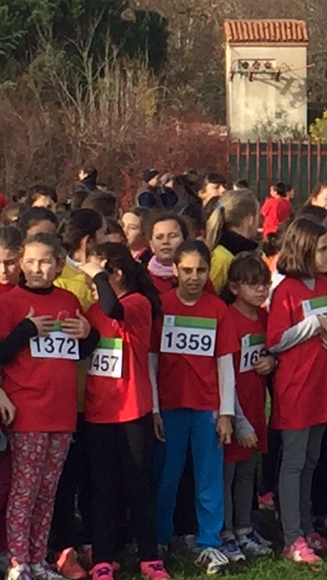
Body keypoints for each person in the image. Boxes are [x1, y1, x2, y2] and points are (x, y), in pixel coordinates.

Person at [0, 233, 96, 580]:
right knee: (24, 491)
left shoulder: (68, 299)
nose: (37, 268)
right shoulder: (9, 302)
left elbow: (81, 350)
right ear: (21, 264)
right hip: (28, 409)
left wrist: (88, 333)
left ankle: (39, 559)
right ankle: (18, 562)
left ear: (58, 266)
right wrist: (25, 330)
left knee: (47, 491)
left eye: (44, 262)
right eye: (30, 261)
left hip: (62, 411)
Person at [79, 242, 168, 580]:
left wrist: (99, 276)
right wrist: (84, 335)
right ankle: (104, 558)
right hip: (99, 411)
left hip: (133, 411)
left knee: (138, 485)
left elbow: (113, 309)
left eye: (97, 276)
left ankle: (149, 556)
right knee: (103, 488)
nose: (91, 283)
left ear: (115, 274)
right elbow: (86, 349)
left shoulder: (137, 303)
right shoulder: (93, 310)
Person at [151, 241, 238, 575]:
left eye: (201, 270)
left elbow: (224, 363)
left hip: (207, 407)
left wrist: (226, 413)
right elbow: (151, 360)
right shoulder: (162, 306)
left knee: (209, 477)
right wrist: (154, 408)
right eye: (187, 270)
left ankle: (209, 541)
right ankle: (160, 539)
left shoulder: (217, 309)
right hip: (170, 407)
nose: (194, 277)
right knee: (166, 476)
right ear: (175, 270)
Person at [267, 218, 327, 564]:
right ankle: (291, 535)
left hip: (320, 384)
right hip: (295, 385)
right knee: (294, 463)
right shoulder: (286, 290)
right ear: (305, 250)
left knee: (312, 460)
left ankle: (306, 527)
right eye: (323, 249)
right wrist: (311, 325)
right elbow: (275, 341)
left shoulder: (325, 285)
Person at [219, 254, 274, 560]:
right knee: (227, 474)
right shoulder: (227, 318)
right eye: (252, 284)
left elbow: (272, 349)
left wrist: (272, 360)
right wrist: (238, 420)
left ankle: (244, 527)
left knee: (247, 472)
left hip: (256, 406)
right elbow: (224, 372)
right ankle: (226, 531)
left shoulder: (264, 317)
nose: (260, 289)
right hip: (233, 409)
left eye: (264, 283)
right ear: (234, 287)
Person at [205, 191, 260, 293]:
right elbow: (209, 295)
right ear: (250, 220)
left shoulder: (243, 252)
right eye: (258, 216)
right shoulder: (222, 258)